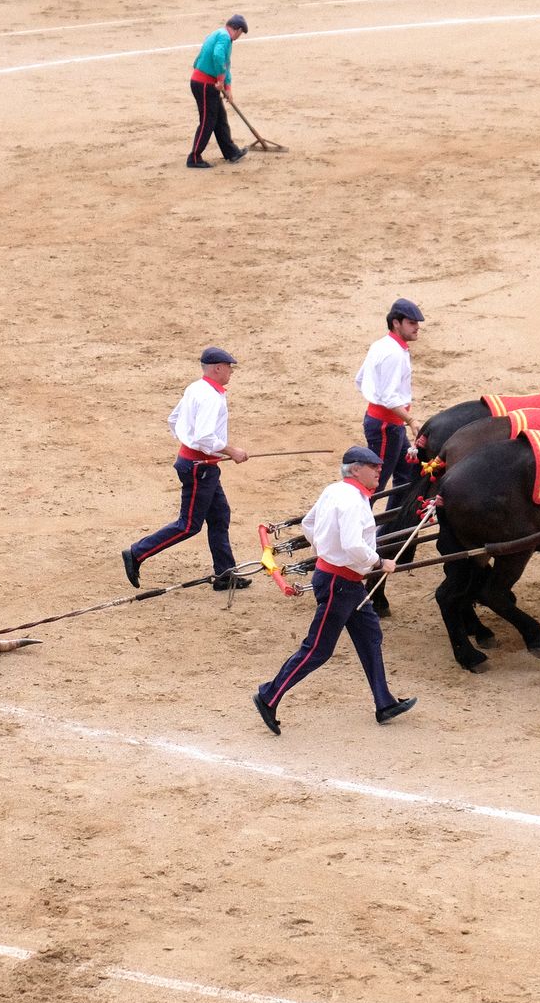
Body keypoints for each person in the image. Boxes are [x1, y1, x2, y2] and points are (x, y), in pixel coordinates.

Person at [253, 447, 416, 735]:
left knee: (370, 636)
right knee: (318, 648)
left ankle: (384, 702)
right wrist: (379, 562)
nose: (379, 471)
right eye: (373, 467)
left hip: (343, 581)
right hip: (340, 583)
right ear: (355, 469)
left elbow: (309, 524)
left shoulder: (334, 491)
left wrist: (325, 548)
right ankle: (269, 695)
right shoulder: (353, 501)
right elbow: (353, 545)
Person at [123, 348, 250, 591]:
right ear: (217, 368)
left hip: (199, 464)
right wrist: (231, 451)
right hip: (199, 467)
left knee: (220, 515)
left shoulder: (196, 388)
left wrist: (189, 445)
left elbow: (174, 419)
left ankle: (225, 574)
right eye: (229, 367)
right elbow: (204, 437)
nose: (231, 371)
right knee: (189, 525)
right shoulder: (211, 397)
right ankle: (137, 552)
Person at [354, 298, 424, 496]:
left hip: (387, 423)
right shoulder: (394, 353)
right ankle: (360, 516)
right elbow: (389, 397)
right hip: (386, 426)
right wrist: (411, 420)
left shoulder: (381, 345)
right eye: (411, 323)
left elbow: (360, 379)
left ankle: (391, 519)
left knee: (406, 475)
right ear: (396, 323)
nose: (417, 328)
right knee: (374, 483)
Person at [186, 14, 248, 170]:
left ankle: (231, 152)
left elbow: (225, 64)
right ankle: (194, 157)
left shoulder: (218, 34)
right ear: (238, 30)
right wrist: (220, 79)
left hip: (205, 83)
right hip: (204, 84)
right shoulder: (225, 37)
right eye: (241, 33)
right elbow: (218, 56)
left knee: (220, 118)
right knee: (208, 121)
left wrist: (228, 87)